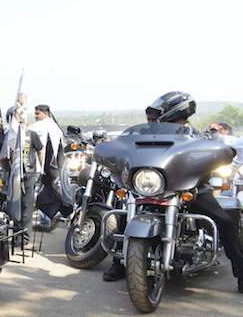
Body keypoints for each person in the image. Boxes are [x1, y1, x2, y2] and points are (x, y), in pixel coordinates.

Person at [104, 92, 243, 293]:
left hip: (191, 188)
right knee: (124, 216)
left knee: (226, 223)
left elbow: (218, 147)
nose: (151, 119)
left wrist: (222, 151)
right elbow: (126, 147)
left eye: (156, 115)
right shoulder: (143, 133)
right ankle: (119, 264)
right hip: (152, 186)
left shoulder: (194, 135)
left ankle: (240, 272)